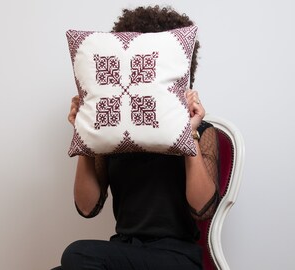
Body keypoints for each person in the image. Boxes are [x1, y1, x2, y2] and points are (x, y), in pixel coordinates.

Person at [53, 5, 220, 270]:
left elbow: (203, 209)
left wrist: (188, 133)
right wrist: (84, 131)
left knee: (77, 254)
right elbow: (87, 208)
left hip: (176, 258)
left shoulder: (202, 132)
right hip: (124, 250)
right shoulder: (111, 136)